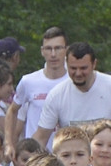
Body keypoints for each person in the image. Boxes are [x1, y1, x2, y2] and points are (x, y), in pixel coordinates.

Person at [32, 42, 111, 149]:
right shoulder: (57, 95)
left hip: (107, 158)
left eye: (83, 68)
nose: (78, 73)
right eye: (73, 68)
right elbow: (41, 137)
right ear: (66, 65)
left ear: (94, 64)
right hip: (72, 160)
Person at [5, 27, 69, 155]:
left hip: (66, 156)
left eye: (58, 48)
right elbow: (12, 111)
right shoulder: (29, 81)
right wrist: (9, 144)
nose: (53, 54)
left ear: (66, 50)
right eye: (48, 48)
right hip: (36, 156)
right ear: (42, 51)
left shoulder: (74, 82)